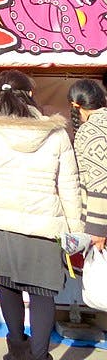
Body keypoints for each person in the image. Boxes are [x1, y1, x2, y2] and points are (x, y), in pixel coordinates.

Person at [0, 70, 81, 360]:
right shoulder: (56, 131)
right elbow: (69, 185)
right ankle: (39, 356)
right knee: (43, 293)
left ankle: (16, 351)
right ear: (31, 95)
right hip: (43, 224)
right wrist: (75, 229)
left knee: (8, 285)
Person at [71, 79, 107, 252]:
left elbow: (100, 181)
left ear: (75, 105)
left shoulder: (90, 130)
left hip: (101, 219)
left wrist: (97, 228)